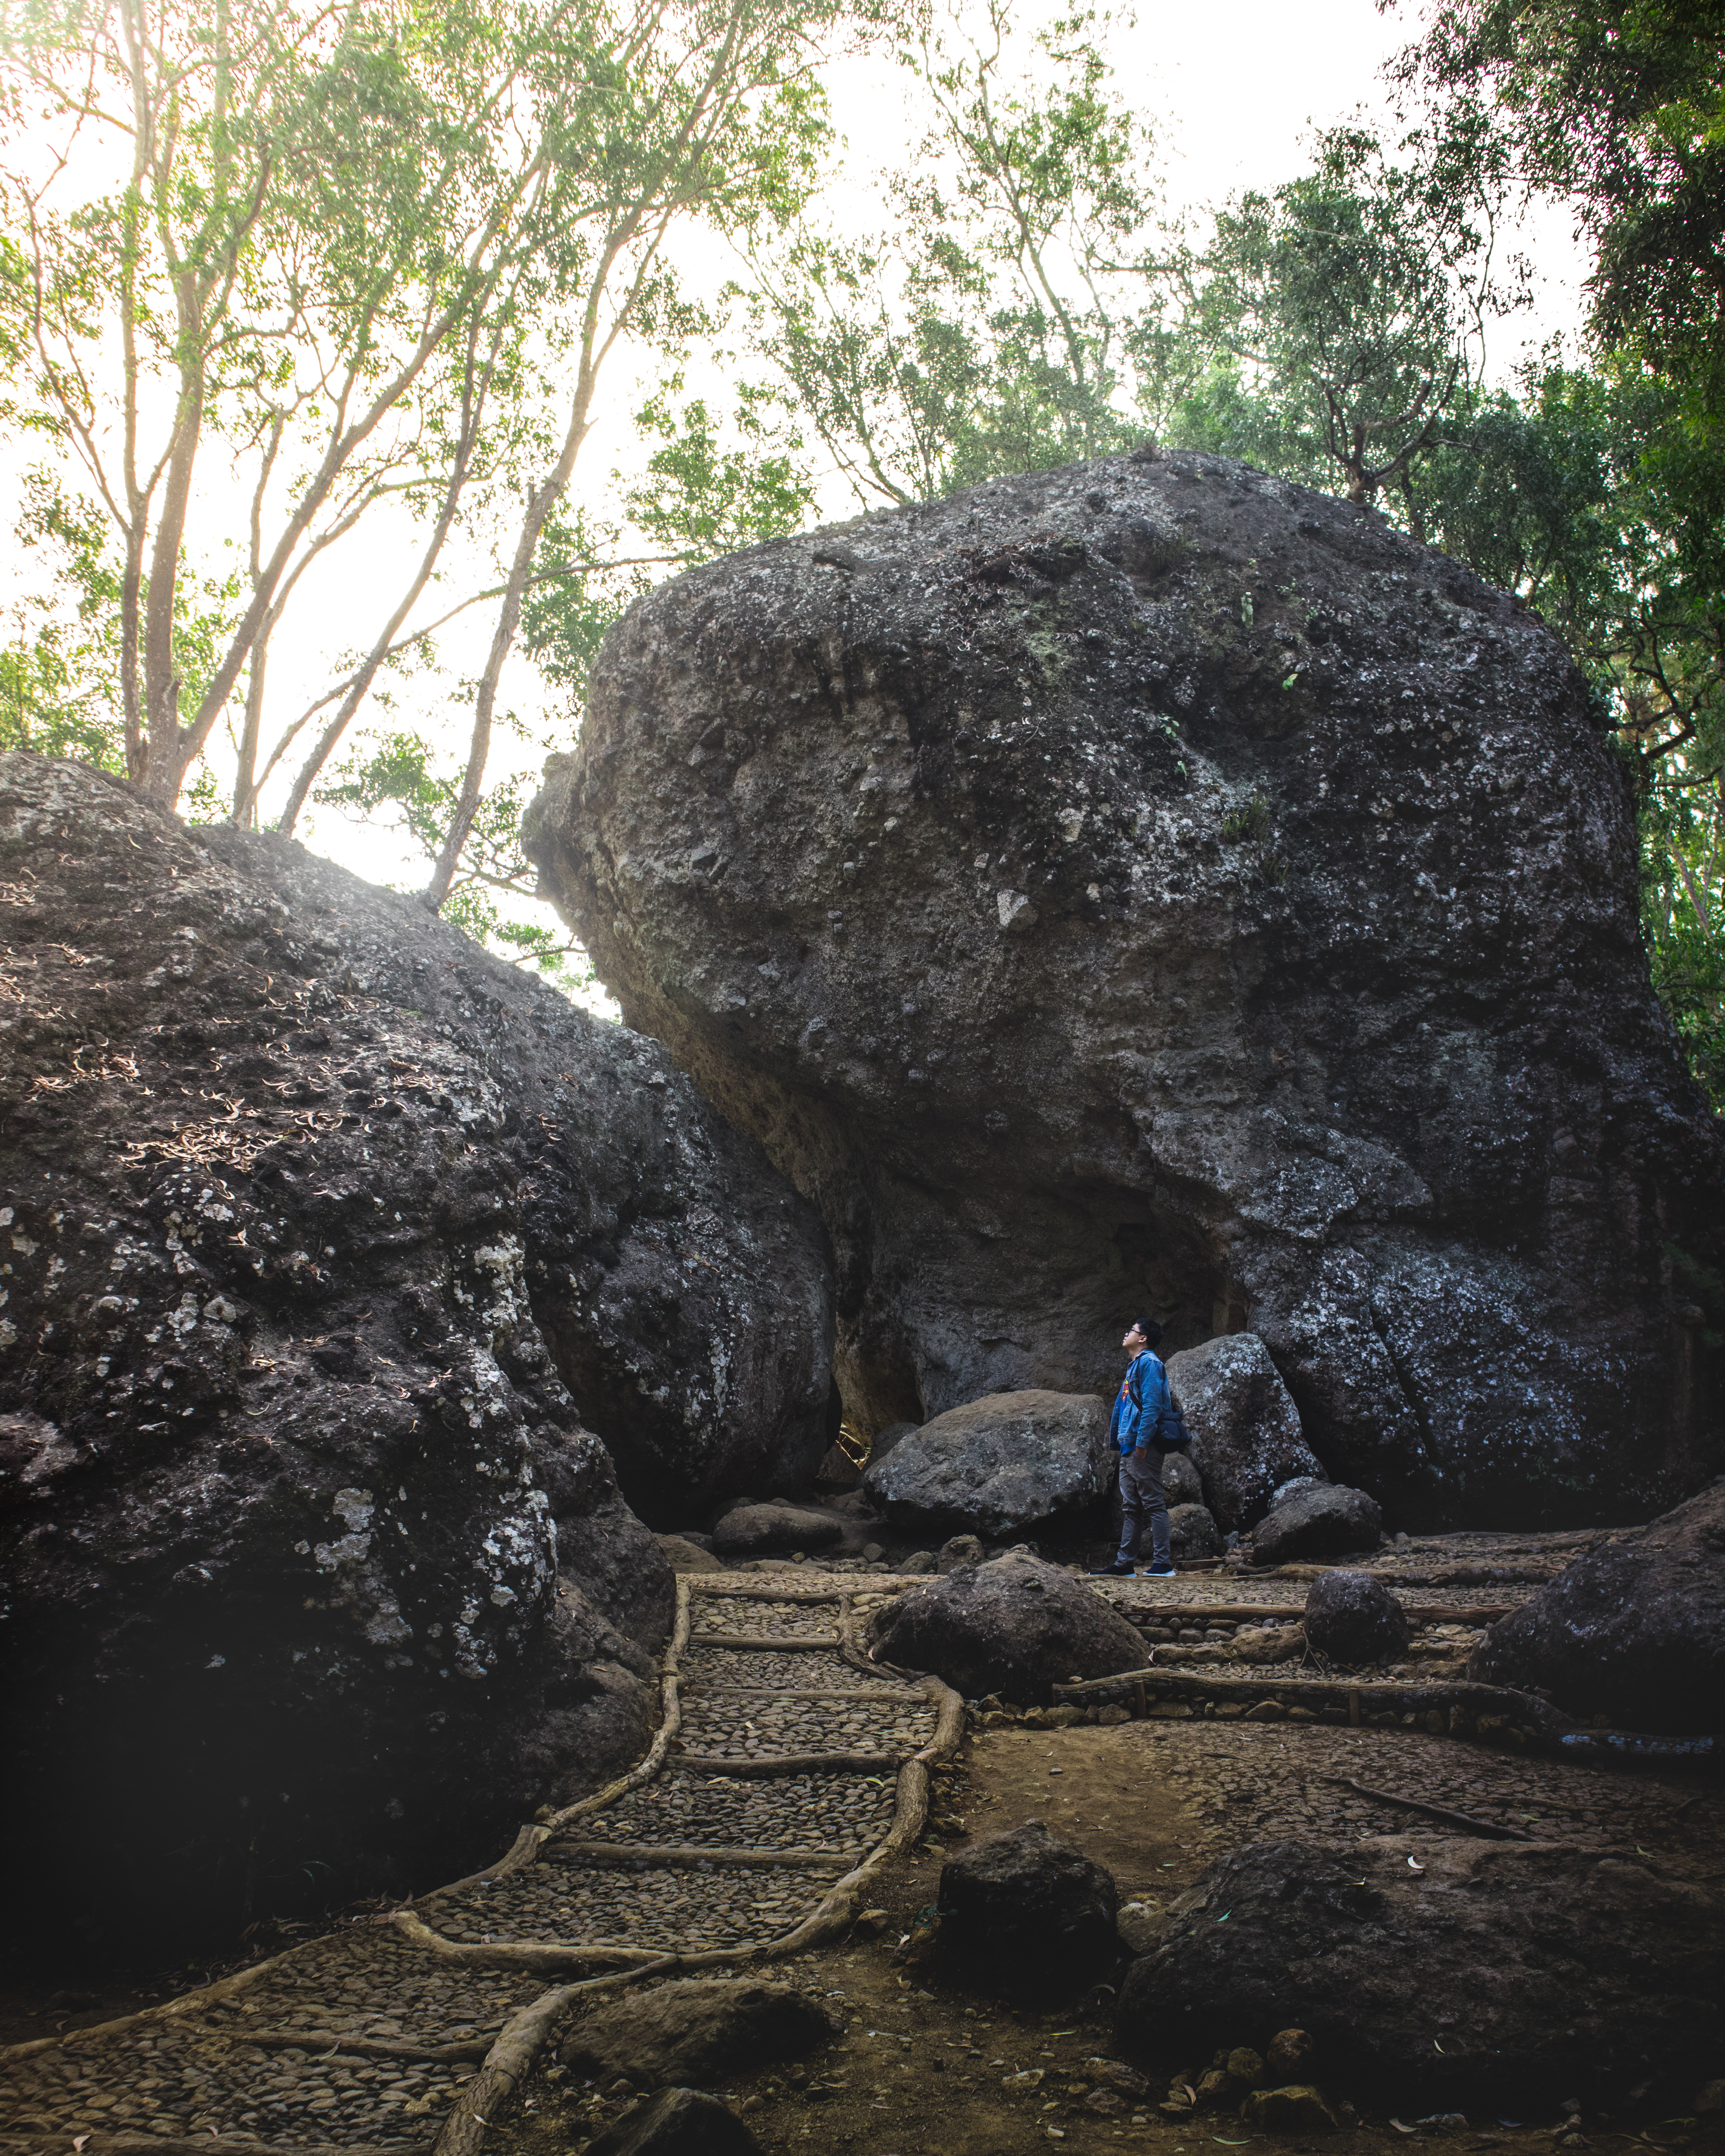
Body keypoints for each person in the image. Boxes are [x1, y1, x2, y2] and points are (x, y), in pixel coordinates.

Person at [1089, 1318, 1177, 1579]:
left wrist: (1141, 1442)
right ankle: (1124, 1564)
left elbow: (1152, 1405)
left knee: (1152, 1502)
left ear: (1143, 1338)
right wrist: (1120, 1442)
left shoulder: (1150, 1364)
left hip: (1143, 1445)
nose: (1126, 1332)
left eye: (1132, 1330)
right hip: (1130, 1445)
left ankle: (1163, 1564)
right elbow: (1124, 1406)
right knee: (1131, 1507)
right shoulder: (1134, 1366)